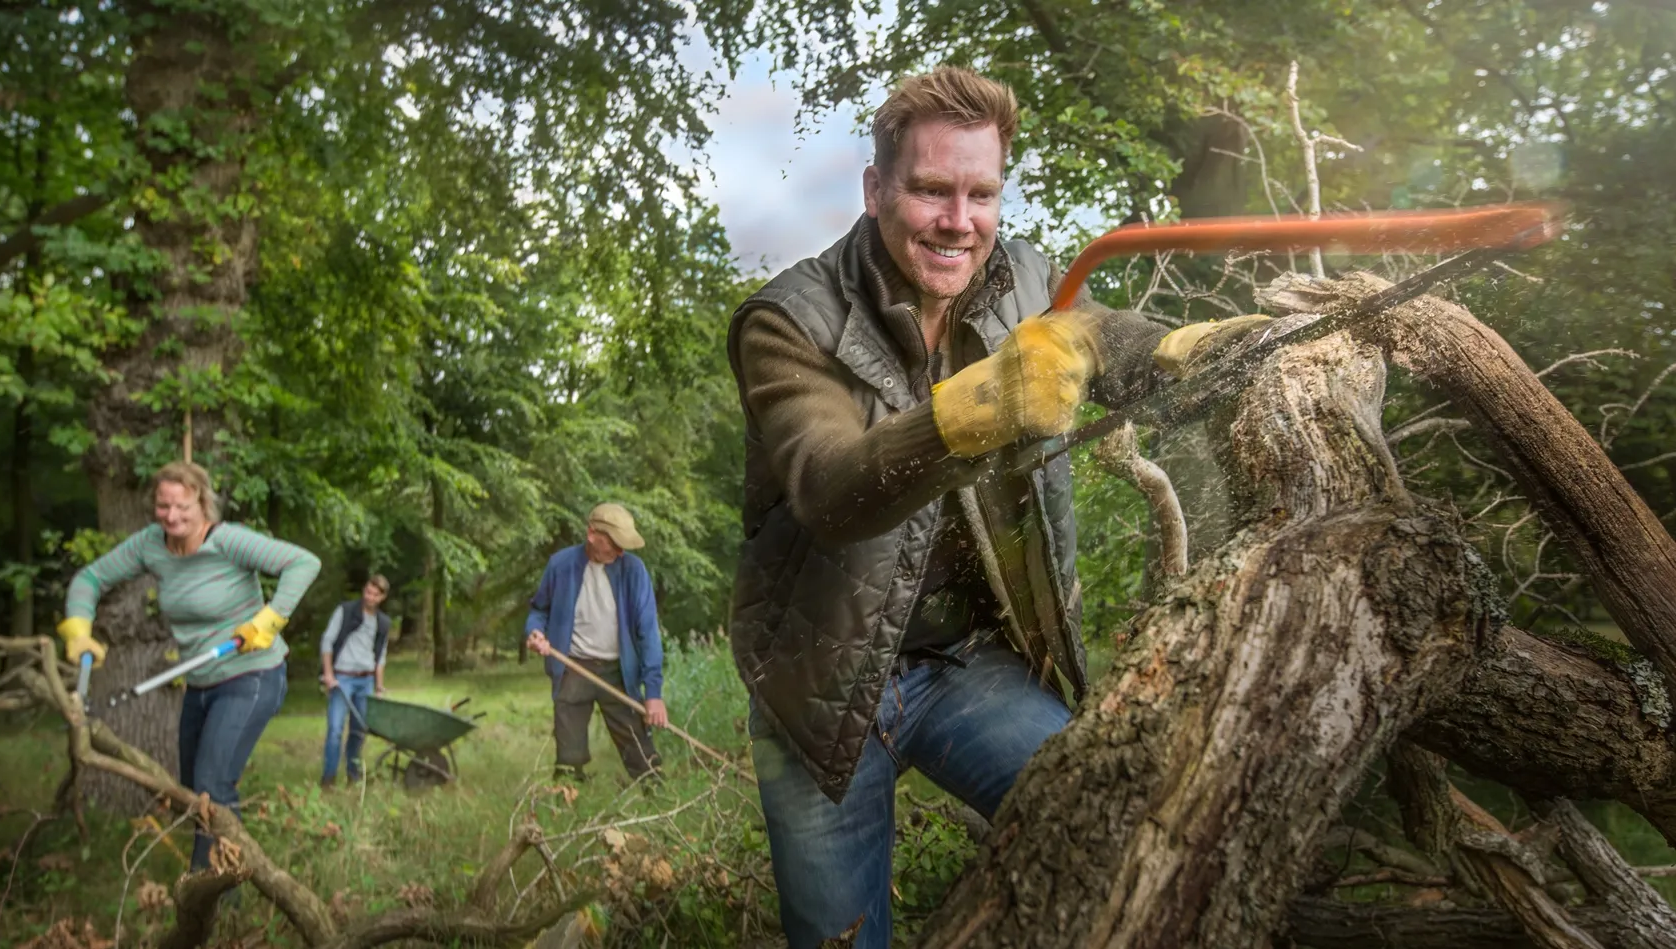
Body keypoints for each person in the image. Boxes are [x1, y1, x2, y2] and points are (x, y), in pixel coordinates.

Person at [726, 66, 1271, 946]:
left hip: (969, 668)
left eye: (981, 193)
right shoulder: (787, 321)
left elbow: (1099, 335)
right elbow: (830, 489)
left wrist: (1178, 351)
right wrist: (974, 411)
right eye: (931, 190)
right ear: (875, 189)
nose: (958, 220)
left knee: (1116, 826)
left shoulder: (1022, 274)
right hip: (819, 688)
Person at [56, 461, 321, 871]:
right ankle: (222, 879)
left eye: (182, 505)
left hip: (252, 674)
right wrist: (78, 629)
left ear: (202, 502)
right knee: (192, 789)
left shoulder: (228, 541)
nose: (172, 516)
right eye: (163, 506)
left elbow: (303, 563)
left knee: (212, 789)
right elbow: (89, 579)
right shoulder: (151, 545)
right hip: (200, 682)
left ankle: (208, 898)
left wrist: (268, 620)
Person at [524, 503, 667, 783]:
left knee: (639, 748)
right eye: (615, 543)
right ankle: (568, 801)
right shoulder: (560, 565)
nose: (621, 551)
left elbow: (648, 632)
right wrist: (535, 632)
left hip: (618, 672)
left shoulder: (634, 571)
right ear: (592, 534)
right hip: (573, 667)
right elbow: (538, 610)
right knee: (569, 754)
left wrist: (653, 692)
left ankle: (659, 797)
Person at [318, 575, 392, 789]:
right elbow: (327, 641)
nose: (369, 597)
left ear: (382, 598)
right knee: (335, 729)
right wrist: (329, 674)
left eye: (375, 594)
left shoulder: (383, 623)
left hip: (366, 679)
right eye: (368, 591)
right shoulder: (346, 611)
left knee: (359, 730)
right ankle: (328, 779)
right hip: (342, 678)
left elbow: (381, 656)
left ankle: (353, 774)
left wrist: (379, 685)